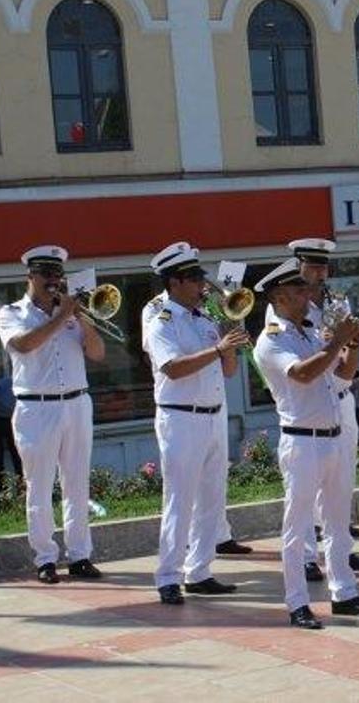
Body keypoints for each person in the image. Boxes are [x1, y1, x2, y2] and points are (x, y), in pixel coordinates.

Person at [253, 258, 359, 629]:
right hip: (301, 443)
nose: (307, 294)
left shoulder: (309, 332)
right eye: (298, 290)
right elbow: (304, 374)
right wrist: (338, 341)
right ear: (279, 296)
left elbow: (341, 377)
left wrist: (352, 347)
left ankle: (345, 593)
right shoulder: (272, 339)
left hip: (332, 438)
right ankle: (297, 603)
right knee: (297, 528)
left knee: (338, 522)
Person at [145, 244, 247, 605]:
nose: (202, 284)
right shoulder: (162, 322)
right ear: (174, 282)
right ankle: (168, 576)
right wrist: (218, 349)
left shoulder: (205, 320)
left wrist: (230, 338)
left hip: (213, 415)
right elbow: (172, 367)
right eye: (194, 278)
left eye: (201, 277)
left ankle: (200, 570)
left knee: (212, 499)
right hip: (180, 417)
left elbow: (230, 371)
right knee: (179, 500)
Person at [0, 246, 106, 584]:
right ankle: (45, 558)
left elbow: (98, 354)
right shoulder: (11, 313)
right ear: (30, 276)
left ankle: (80, 555)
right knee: (39, 486)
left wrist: (82, 319)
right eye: (46, 275)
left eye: (57, 275)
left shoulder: (71, 314)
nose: (53, 281)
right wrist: (62, 317)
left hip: (76, 402)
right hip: (36, 407)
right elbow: (25, 345)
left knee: (77, 483)